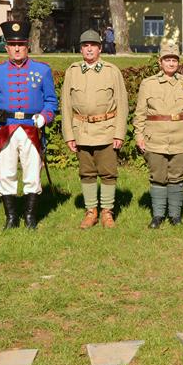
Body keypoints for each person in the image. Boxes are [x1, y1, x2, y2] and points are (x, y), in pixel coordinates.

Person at [0, 21, 58, 229]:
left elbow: (51, 102)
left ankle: (30, 218)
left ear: (27, 46)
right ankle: (11, 218)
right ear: (6, 47)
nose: (17, 48)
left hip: (31, 129)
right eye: (12, 44)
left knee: (32, 173)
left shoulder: (42, 70)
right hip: (5, 129)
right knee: (6, 173)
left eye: (21, 44)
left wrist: (45, 116)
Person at [61, 29, 128, 229]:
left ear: (100, 48)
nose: (89, 49)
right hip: (81, 130)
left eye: (93, 45)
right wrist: (69, 135)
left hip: (106, 130)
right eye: (85, 46)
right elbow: (66, 106)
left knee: (108, 173)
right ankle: (91, 211)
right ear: (80, 49)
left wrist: (119, 133)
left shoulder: (111, 71)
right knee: (86, 172)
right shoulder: (72, 71)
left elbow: (122, 104)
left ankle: (107, 211)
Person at [133, 42, 183, 228]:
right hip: (155, 139)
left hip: (181, 138)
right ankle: (157, 216)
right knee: (158, 176)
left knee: (177, 177)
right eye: (167, 60)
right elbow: (140, 113)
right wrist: (138, 136)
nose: (171, 63)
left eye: (174, 60)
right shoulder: (147, 84)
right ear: (160, 61)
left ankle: (175, 215)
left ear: (178, 62)